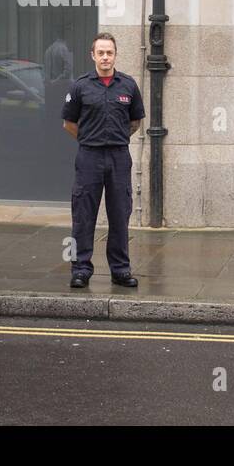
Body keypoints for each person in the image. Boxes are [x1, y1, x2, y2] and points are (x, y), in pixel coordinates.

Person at [61, 32, 144, 288]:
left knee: (120, 214)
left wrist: (116, 138)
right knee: (83, 215)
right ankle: (80, 269)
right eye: (101, 52)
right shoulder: (80, 86)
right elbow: (69, 123)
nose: (105, 57)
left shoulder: (128, 85)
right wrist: (90, 139)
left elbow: (135, 122)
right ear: (93, 55)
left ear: (115, 55)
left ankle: (120, 269)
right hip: (89, 156)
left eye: (109, 52)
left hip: (119, 157)